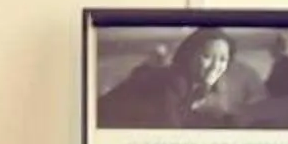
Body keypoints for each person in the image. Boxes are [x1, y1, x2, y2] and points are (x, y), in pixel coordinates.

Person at [98, 26, 247, 130]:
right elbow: (169, 128)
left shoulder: (191, 83)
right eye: (207, 56)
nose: (216, 66)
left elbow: (183, 112)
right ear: (189, 55)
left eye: (223, 59)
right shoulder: (175, 80)